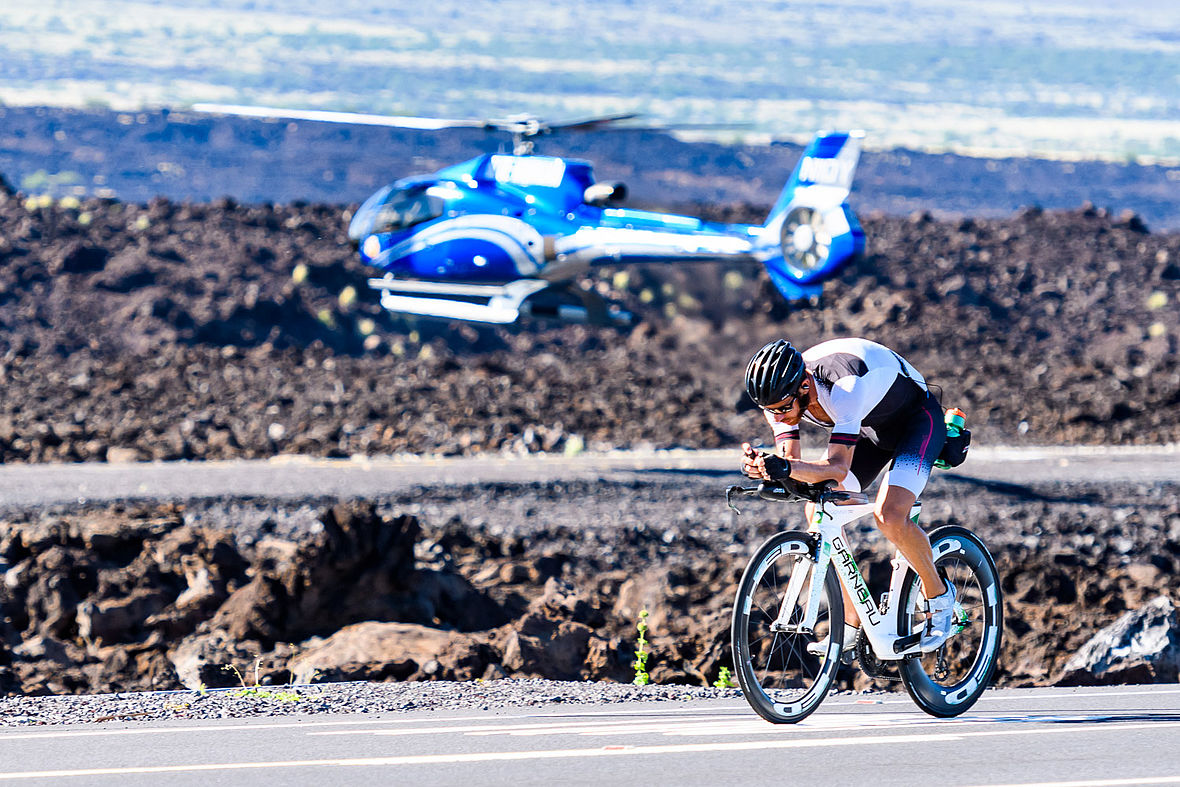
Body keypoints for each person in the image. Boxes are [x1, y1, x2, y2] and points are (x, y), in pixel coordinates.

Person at [739, 337, 955, 654]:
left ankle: (939, 599)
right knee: (818, 512)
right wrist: (766, 467)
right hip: (869, 429)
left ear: (803, 386)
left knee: (890, 515)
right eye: (771, 412)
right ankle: (851, 625)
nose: (781, 417)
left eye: (785, 408)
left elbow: (837, 468)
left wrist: (785, 467)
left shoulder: (844, 386)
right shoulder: (777, 400)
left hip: (917, 422)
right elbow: (791, 462)